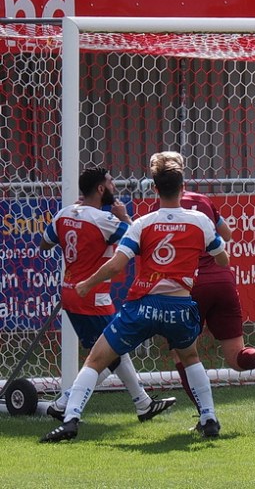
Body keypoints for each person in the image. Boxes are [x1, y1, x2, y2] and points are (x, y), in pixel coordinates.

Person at [40, 154, 227, 442]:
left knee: (96, 359)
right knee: (191, 357)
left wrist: (88, 283)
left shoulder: (143, 223)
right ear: (183, 186)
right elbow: (222, 258)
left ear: (154, 189)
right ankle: (209, 418)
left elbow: (117, 264)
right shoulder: (200, 221)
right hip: (179, 307)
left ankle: (70, 419)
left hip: (143, 306)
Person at [150, 152, 255, 400]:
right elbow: (226, 235)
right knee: (236, 357)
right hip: (222, 281)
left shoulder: (158, 211)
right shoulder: (204, 202)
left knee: (183, 356)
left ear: (157, 184)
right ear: (182, 178)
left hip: (189, 288)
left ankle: (204, 415)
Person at [39, 167, 176, 423]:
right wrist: (124, 217)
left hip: (69, 294)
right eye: (111, 183)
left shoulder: (64, 212)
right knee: (107, 355)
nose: (115, 187)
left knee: (113, 352)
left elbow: (45, 243)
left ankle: (142, 403)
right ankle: (65, 404)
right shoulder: (103, 220)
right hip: (92, 297)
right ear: (100, 189)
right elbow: (143, 240)